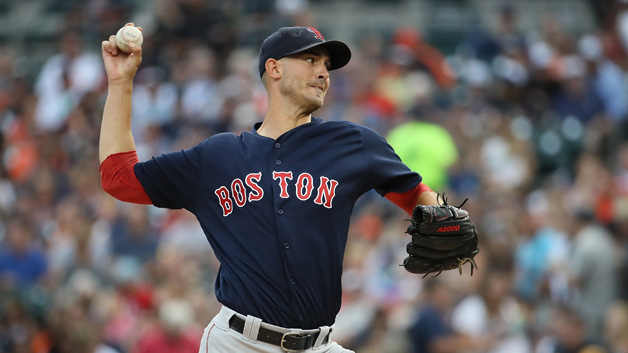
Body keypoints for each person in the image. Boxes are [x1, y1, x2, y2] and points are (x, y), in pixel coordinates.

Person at [99, 24, 454, 352]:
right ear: (274, 69)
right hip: (239, 343)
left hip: (319, 344)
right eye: (311, 59)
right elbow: (119, 178)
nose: (323, 73)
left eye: (327, 65)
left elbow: (413, 192)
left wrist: (438, 214)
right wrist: (121, 83)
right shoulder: (218, 156)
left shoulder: (352, 142)